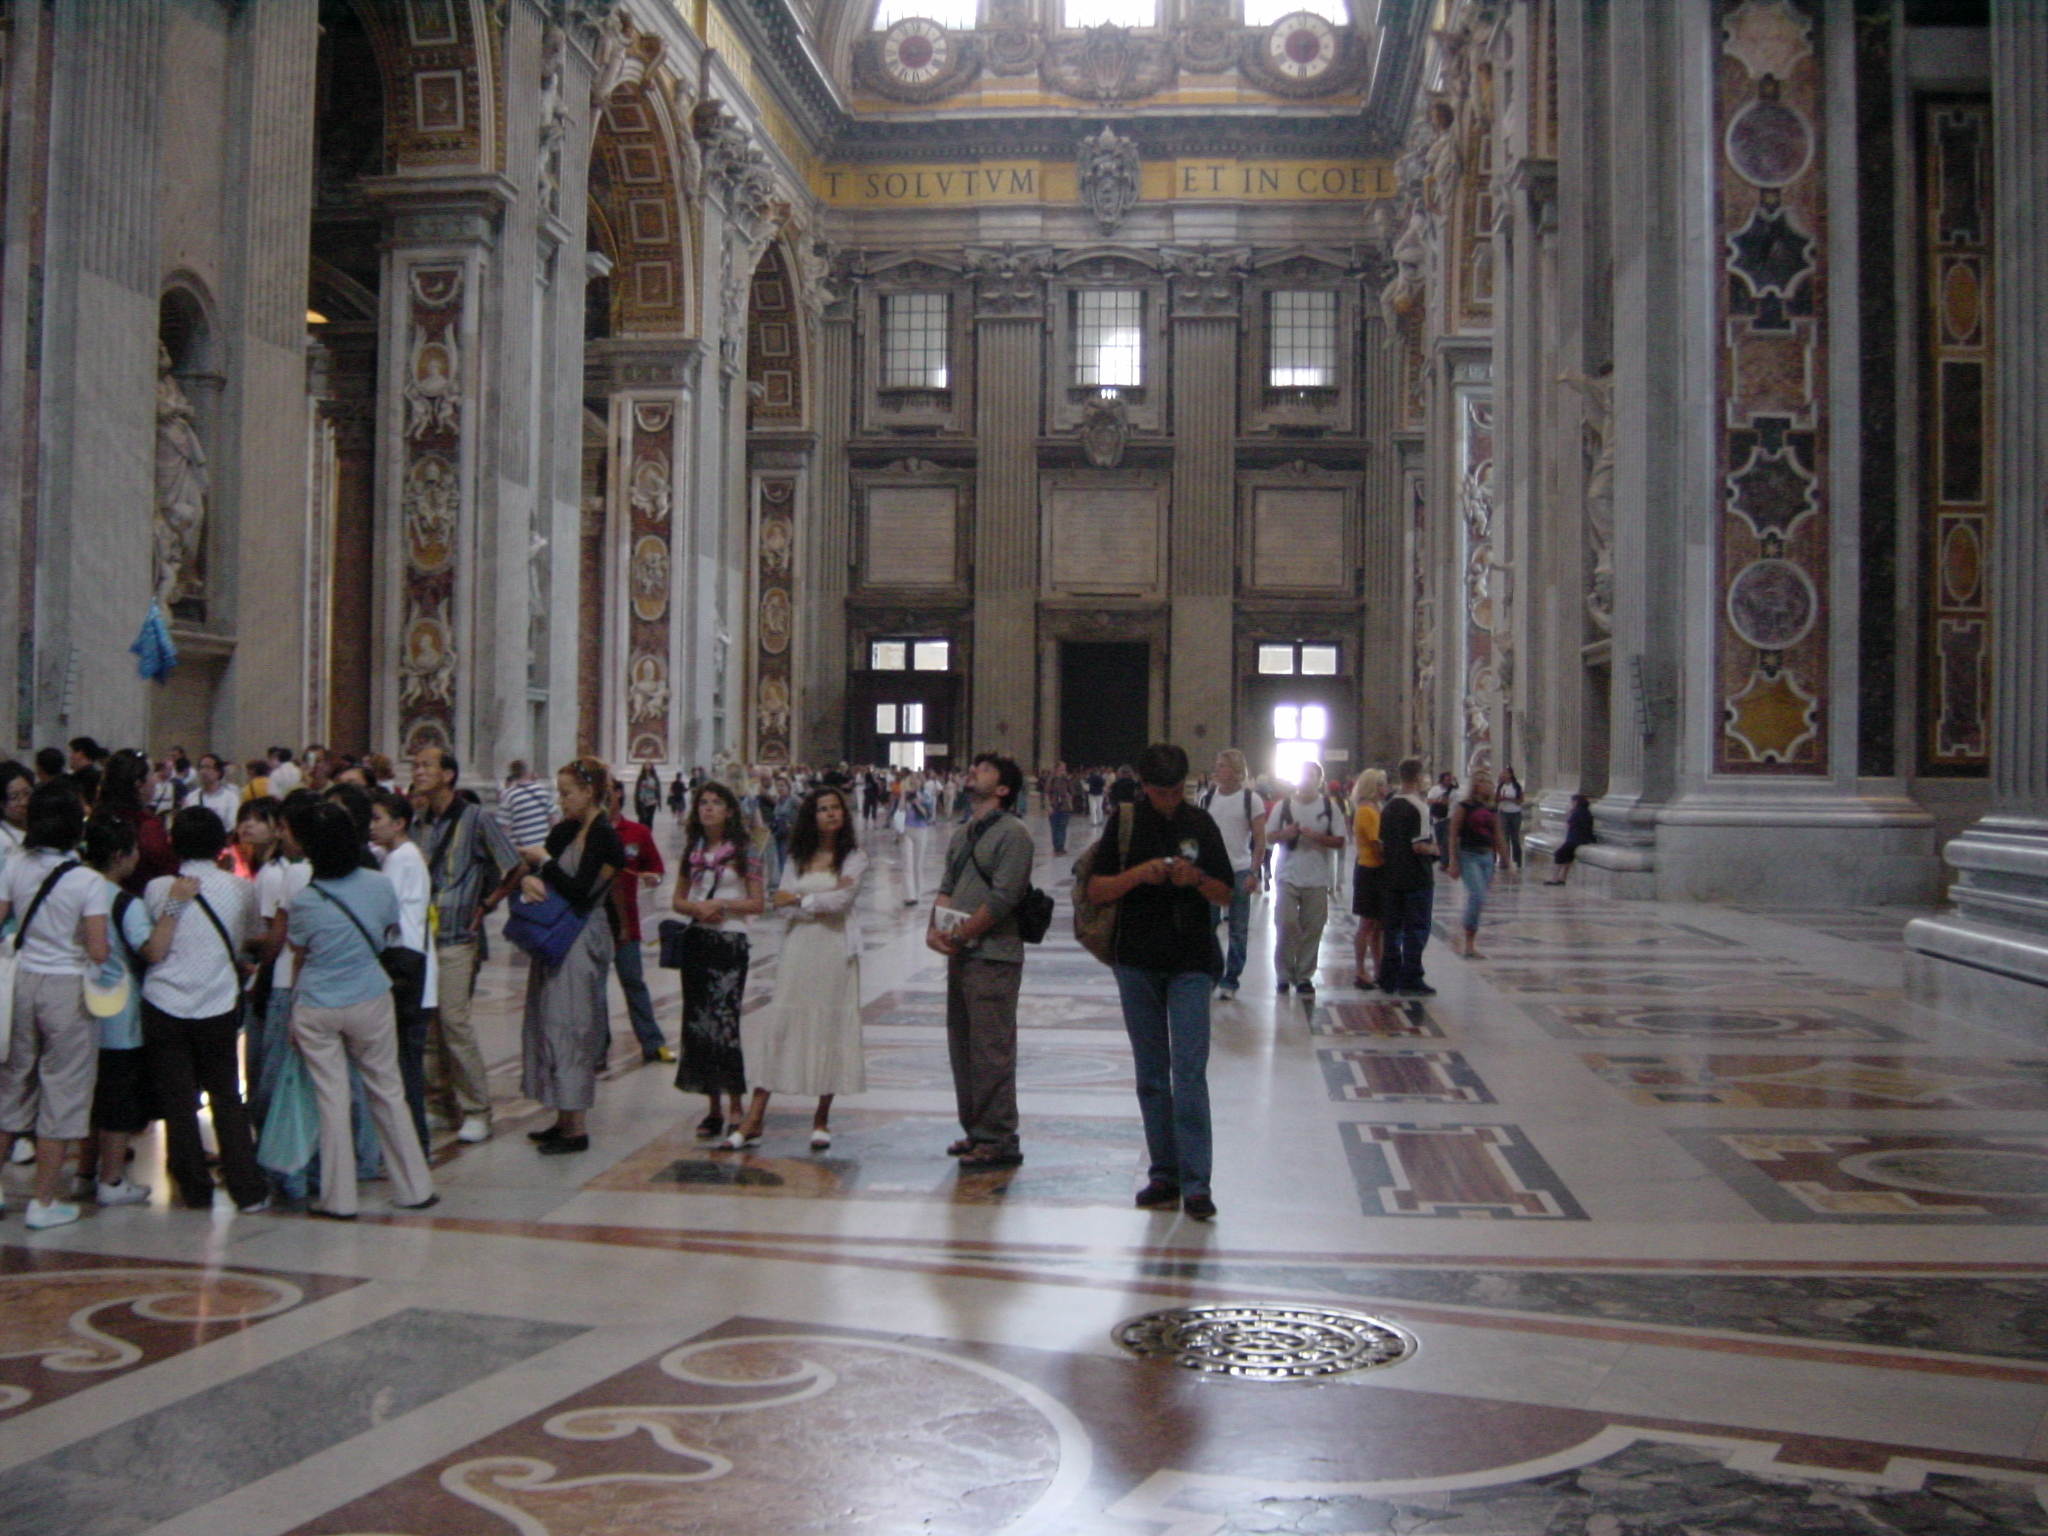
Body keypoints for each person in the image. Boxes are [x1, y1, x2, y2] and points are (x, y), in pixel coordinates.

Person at [1085, 742, 1233, 1221]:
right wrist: (1138, 875)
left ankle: (1197, 1183)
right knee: (1151, 1074)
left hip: (1191, 960)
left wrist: (1195, 881)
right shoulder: (1125, 824)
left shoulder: (1200, 824)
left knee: (1188, 1072)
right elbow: (1095, 889)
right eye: (1161, 791)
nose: (1170, 799)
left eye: (1177, 791)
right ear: (1144, 787)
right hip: (1137, 960)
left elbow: (1226, 892)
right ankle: (1163, 1173)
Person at [283, 799, 436, 1218]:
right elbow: (387, 930)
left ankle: (338, 1198)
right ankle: (414, 1187)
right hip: (369, 996)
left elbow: (300, 949)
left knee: (331, 1100)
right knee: (388, 1091)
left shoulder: (305, 901)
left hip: (318, 1003)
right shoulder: (377, 884)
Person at [138, 806, 268, 1213]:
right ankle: (247, 1189)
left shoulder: (159, 888)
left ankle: (193, 1188)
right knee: (226, 1097)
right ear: (220, 844)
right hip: (217, 1001)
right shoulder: (239, 888)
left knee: (179, 1101)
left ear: (175, 844)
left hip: (164, 1002)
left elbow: (152, 942)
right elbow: (250, 936)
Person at [726, 785, 869, 1152]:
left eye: (836, 808)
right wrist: (811, 901)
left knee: (829, 1028)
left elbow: (841, 901)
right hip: (799, 950)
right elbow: (780, 904)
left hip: (835, 951)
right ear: (812, 816)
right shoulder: (796, 857)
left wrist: (803, 899)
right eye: (823, 809)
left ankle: (821, 1119)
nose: (831, 814)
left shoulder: (855, 857)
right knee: (783, 1026)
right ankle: (755, 1117)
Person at [0, 784, 114, 1227]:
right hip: (68, 990)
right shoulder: (86, 880)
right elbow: (100, 950)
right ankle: (43, 1202)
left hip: (23, 982)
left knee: (12, 1085)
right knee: (63, 1090)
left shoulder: (14, 864)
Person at [929, 752, 1034, 1170]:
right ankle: (976, 1129)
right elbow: (947, 885)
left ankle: (999, 1136)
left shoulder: (1015, 834)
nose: (973, 771)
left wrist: (964, 932)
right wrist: (935, 928)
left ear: (1003, 788)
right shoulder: (963, 833)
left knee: (991, 1048)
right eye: (974, 767)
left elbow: (1005, 896)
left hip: (995, 956)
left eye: (985, 770)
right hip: (962, 954)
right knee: (963, 1046)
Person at [412, 747, 521, 1144]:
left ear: (448, 775)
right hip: (423, 937)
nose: (418, 771)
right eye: (416, 766)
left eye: (426, 765)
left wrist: (488, 904)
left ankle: (477, 1108)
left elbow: (513, 865)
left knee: (454, 1022)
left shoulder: (476, 819)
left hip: (458, 937)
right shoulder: (417, 823)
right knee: (427, 1027)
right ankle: (439, 1105)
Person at [516, 758, 623, 1156]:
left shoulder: (605, 837)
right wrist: (530, 877)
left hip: (583, 931)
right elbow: (547, 878)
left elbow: (581, 891)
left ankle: (576, 1126)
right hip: (554, 932)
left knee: (574, 1022)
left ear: (590, 792)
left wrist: (543, 862)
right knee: (548, 1018)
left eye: (566, 794)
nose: (561, 802)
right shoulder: (563, 830)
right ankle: (561, 1116)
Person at [670, 781, 764, 1140]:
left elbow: (757, 902)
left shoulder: (745, 851)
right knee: (698, 1024)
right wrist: (696, 907)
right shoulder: (691, 850)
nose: (708, 808)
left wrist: (721, 905)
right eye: (703, 803)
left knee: (724, 1021)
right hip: (697, 938)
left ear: (729, 810)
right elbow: (678, 899)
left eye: (715, 803)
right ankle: (712, 1107)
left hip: (730, 939)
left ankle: (736, 1104)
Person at [75, 812, 153, 1206]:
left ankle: (84, 1171)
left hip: (79, 1010)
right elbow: (150, 951)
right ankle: (112, 1178)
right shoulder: (126, 903)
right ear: (121, 855)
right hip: (120, 1015)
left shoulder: (73, 889)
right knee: (119, 1101)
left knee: (88, 1099)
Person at [367, 791, 436, 1153]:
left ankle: (411, 1143)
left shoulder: (402, 859)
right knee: (405, 1056)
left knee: (403, 1059)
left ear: (399, 823)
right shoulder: (401, 855)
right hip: (411, 957)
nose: (372, 826)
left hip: (404, 958)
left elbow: (384, 910)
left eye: (378, 819)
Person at [605, 775, 670, 1065]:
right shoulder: (582, 832)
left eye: (608, 791)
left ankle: (652, 1042)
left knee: (633, 981)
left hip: (627, 923)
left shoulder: (637, 832)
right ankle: (597, 1048)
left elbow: (656, 869)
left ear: (619, 793)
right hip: (590, 923)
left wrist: (652, 878)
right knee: (593, 989)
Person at [1266, 761, 1346, 997]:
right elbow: (1270, 836)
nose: (1307, 779)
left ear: (1319, 780)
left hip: (1317, 876)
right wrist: (1285, 834)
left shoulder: (1330, 807)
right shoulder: (1284, 806)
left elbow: (1340, 840)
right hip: (1288, 874)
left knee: (1313, 927)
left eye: (1312, 775)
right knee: (1286, 923)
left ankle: (1304, 976)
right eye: (1303, 774)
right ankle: (1283, 974)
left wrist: (1318, 837)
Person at [1198, 750, 1264, 1002]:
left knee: (1237, 929)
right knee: (1206, 926)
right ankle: (1214, 970)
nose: (1216, 770)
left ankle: (1231, 979)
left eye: (1222, 766)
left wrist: (1254, 873)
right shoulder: (1207, 797)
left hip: (1238, 870)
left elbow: (1260, 839)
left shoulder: (1251, 800)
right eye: (1216, 764)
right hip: (1210, 873)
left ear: (1235, 771)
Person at [1378, 758, 1439, 998]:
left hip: (1391, 877)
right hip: (1416, 877)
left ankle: (1388, 976)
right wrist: (1437, 850)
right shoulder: (1419, 807)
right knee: (1416, 928)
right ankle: (1412, 977)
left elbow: (1382, 844)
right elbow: (1419, 846)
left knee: (1392, 929)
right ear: (1417, 778)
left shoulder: (1389, 805)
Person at [1446, 770, 1508, 958]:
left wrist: (1506, 859)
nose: (1488, 786)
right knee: (1477, 895)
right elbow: (1453, 834)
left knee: (1480, 899)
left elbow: (1498, 835)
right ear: (1476, 786)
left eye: (1490, 783)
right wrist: (1453, 861)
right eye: (1484, 783)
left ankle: (1471, 941)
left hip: (1487, 856)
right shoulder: (1464, 807)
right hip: (1468, 855)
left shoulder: (1491, 809)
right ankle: (1468, 942)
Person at [98, 748, 176, 894]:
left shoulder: (98, 815)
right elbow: (167, 870)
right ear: (138, 784)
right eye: (152, 773)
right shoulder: (146, 826)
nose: (155, 778)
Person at [1349, 768, 1389, 990]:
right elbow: (1377, 844)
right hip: (1369, 869)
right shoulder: (1367, 811)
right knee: (1367, 923)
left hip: (1376, 870)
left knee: (1378, 925)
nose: (1386, 788)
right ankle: (1360, 969)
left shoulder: (1376, 808)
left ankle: (1379, 968)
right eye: (1382, 784)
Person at [497, 760, 556, 850]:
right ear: (527, 772)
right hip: (543, 848)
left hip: (522, 851)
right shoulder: (542, 791)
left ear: (512, 773)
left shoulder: (508, 796)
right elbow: (553, 821)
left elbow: (505, 830)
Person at [897, 770, 934, 908]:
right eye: (911, 780)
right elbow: (900, 811)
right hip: (906, 830)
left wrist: (917, 803)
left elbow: (928, 815)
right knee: (907, 863)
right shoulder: (906, 794)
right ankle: (909, 896)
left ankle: (917, 892)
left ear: (921, 781)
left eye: (916, 779)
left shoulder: (926, 795)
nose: (913, 781)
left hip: (921, 830)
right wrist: (902, 796)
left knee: (917, 864)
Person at [1546, 794, 1596, 886]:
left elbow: (1569, 824)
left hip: (1576, 839)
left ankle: (1554, 878)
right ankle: (1562, 878)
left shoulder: (1577, 812)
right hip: (1584, 838)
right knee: (1568, 857)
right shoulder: (1586, 811)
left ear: (1575, 802)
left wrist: (1570, 813)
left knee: (1559, 854)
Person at [192, 753, 240, 827]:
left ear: (218, 772)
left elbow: (232, 826)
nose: (204, 771)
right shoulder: (191, 797)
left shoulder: (230, 798)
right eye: (201, 767)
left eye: (208, 767)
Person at [0, 759, 32, 863]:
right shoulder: (3, 839)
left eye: (27, 793)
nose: (23, 802)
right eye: (14, 797)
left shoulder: (38, 827)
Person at [1042, 762, 1075, 857]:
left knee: (1062, 828)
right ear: (1056, 769)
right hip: (1054, 806)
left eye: (1064, 768)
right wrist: (1048, 806)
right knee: (1054, 828)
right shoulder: (1051, 779)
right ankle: (1056, 847)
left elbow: (1071, 792)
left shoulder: (1066, 780)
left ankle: (1060, 847)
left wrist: (1070, 805)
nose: (1063, 770)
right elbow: (1046, 793)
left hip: (1064, 807)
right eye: (1061, 768)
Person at [1496, 767, 1526, 871]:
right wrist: (1500, 799)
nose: (1504, 775)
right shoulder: (1500, 786)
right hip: (1504, 813)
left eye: (1505, 773)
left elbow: (1520, 800)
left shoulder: (1516, 786)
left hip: (1515, 813)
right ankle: (1505, 860)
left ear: (1510, 775)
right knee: (1504, 837)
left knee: (1515, 838)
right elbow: (1496, 799)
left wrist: (1508, 799)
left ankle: (1517, 860)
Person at [1426, 771, 1457, 867]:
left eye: (1450, 780)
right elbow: (1428, 800)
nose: (1449, 782)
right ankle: (1442, 860)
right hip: (1438, 819)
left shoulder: (1454, 790)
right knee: (1440, 841)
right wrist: (1439, 801)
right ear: (1442, 780)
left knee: (1446, 841)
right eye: (1447, 779)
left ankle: (1444, 862)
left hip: (1449, 818)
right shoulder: (1435, 789)